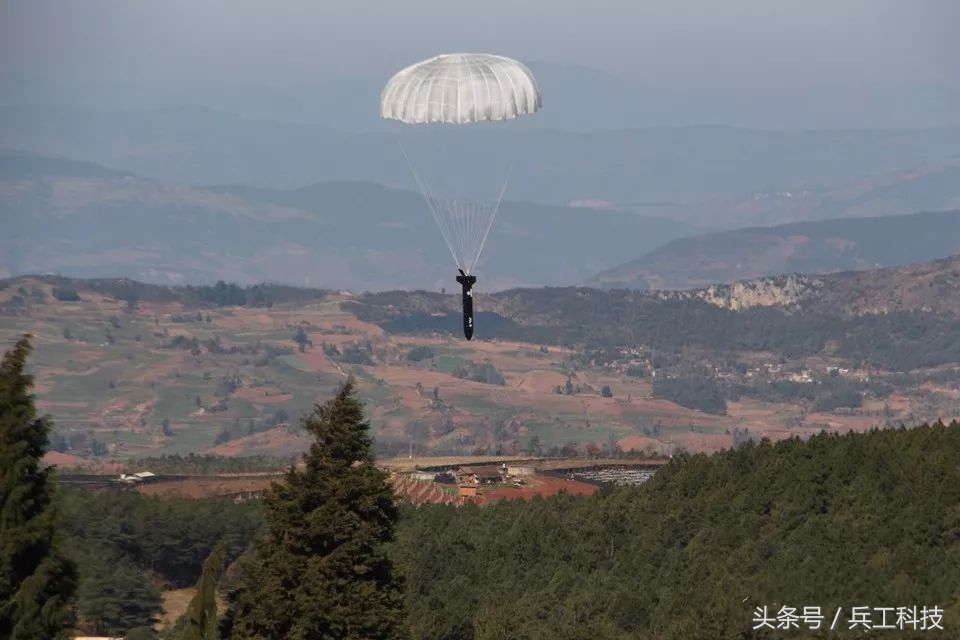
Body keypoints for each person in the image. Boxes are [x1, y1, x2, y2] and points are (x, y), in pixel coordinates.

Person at [455, 269, 477, 340]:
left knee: (468, 311)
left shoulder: (469, 329)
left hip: (467, 285)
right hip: (467, 285)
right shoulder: (469, 330)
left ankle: (465, 277)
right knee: (468, 310)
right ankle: (465, 277)